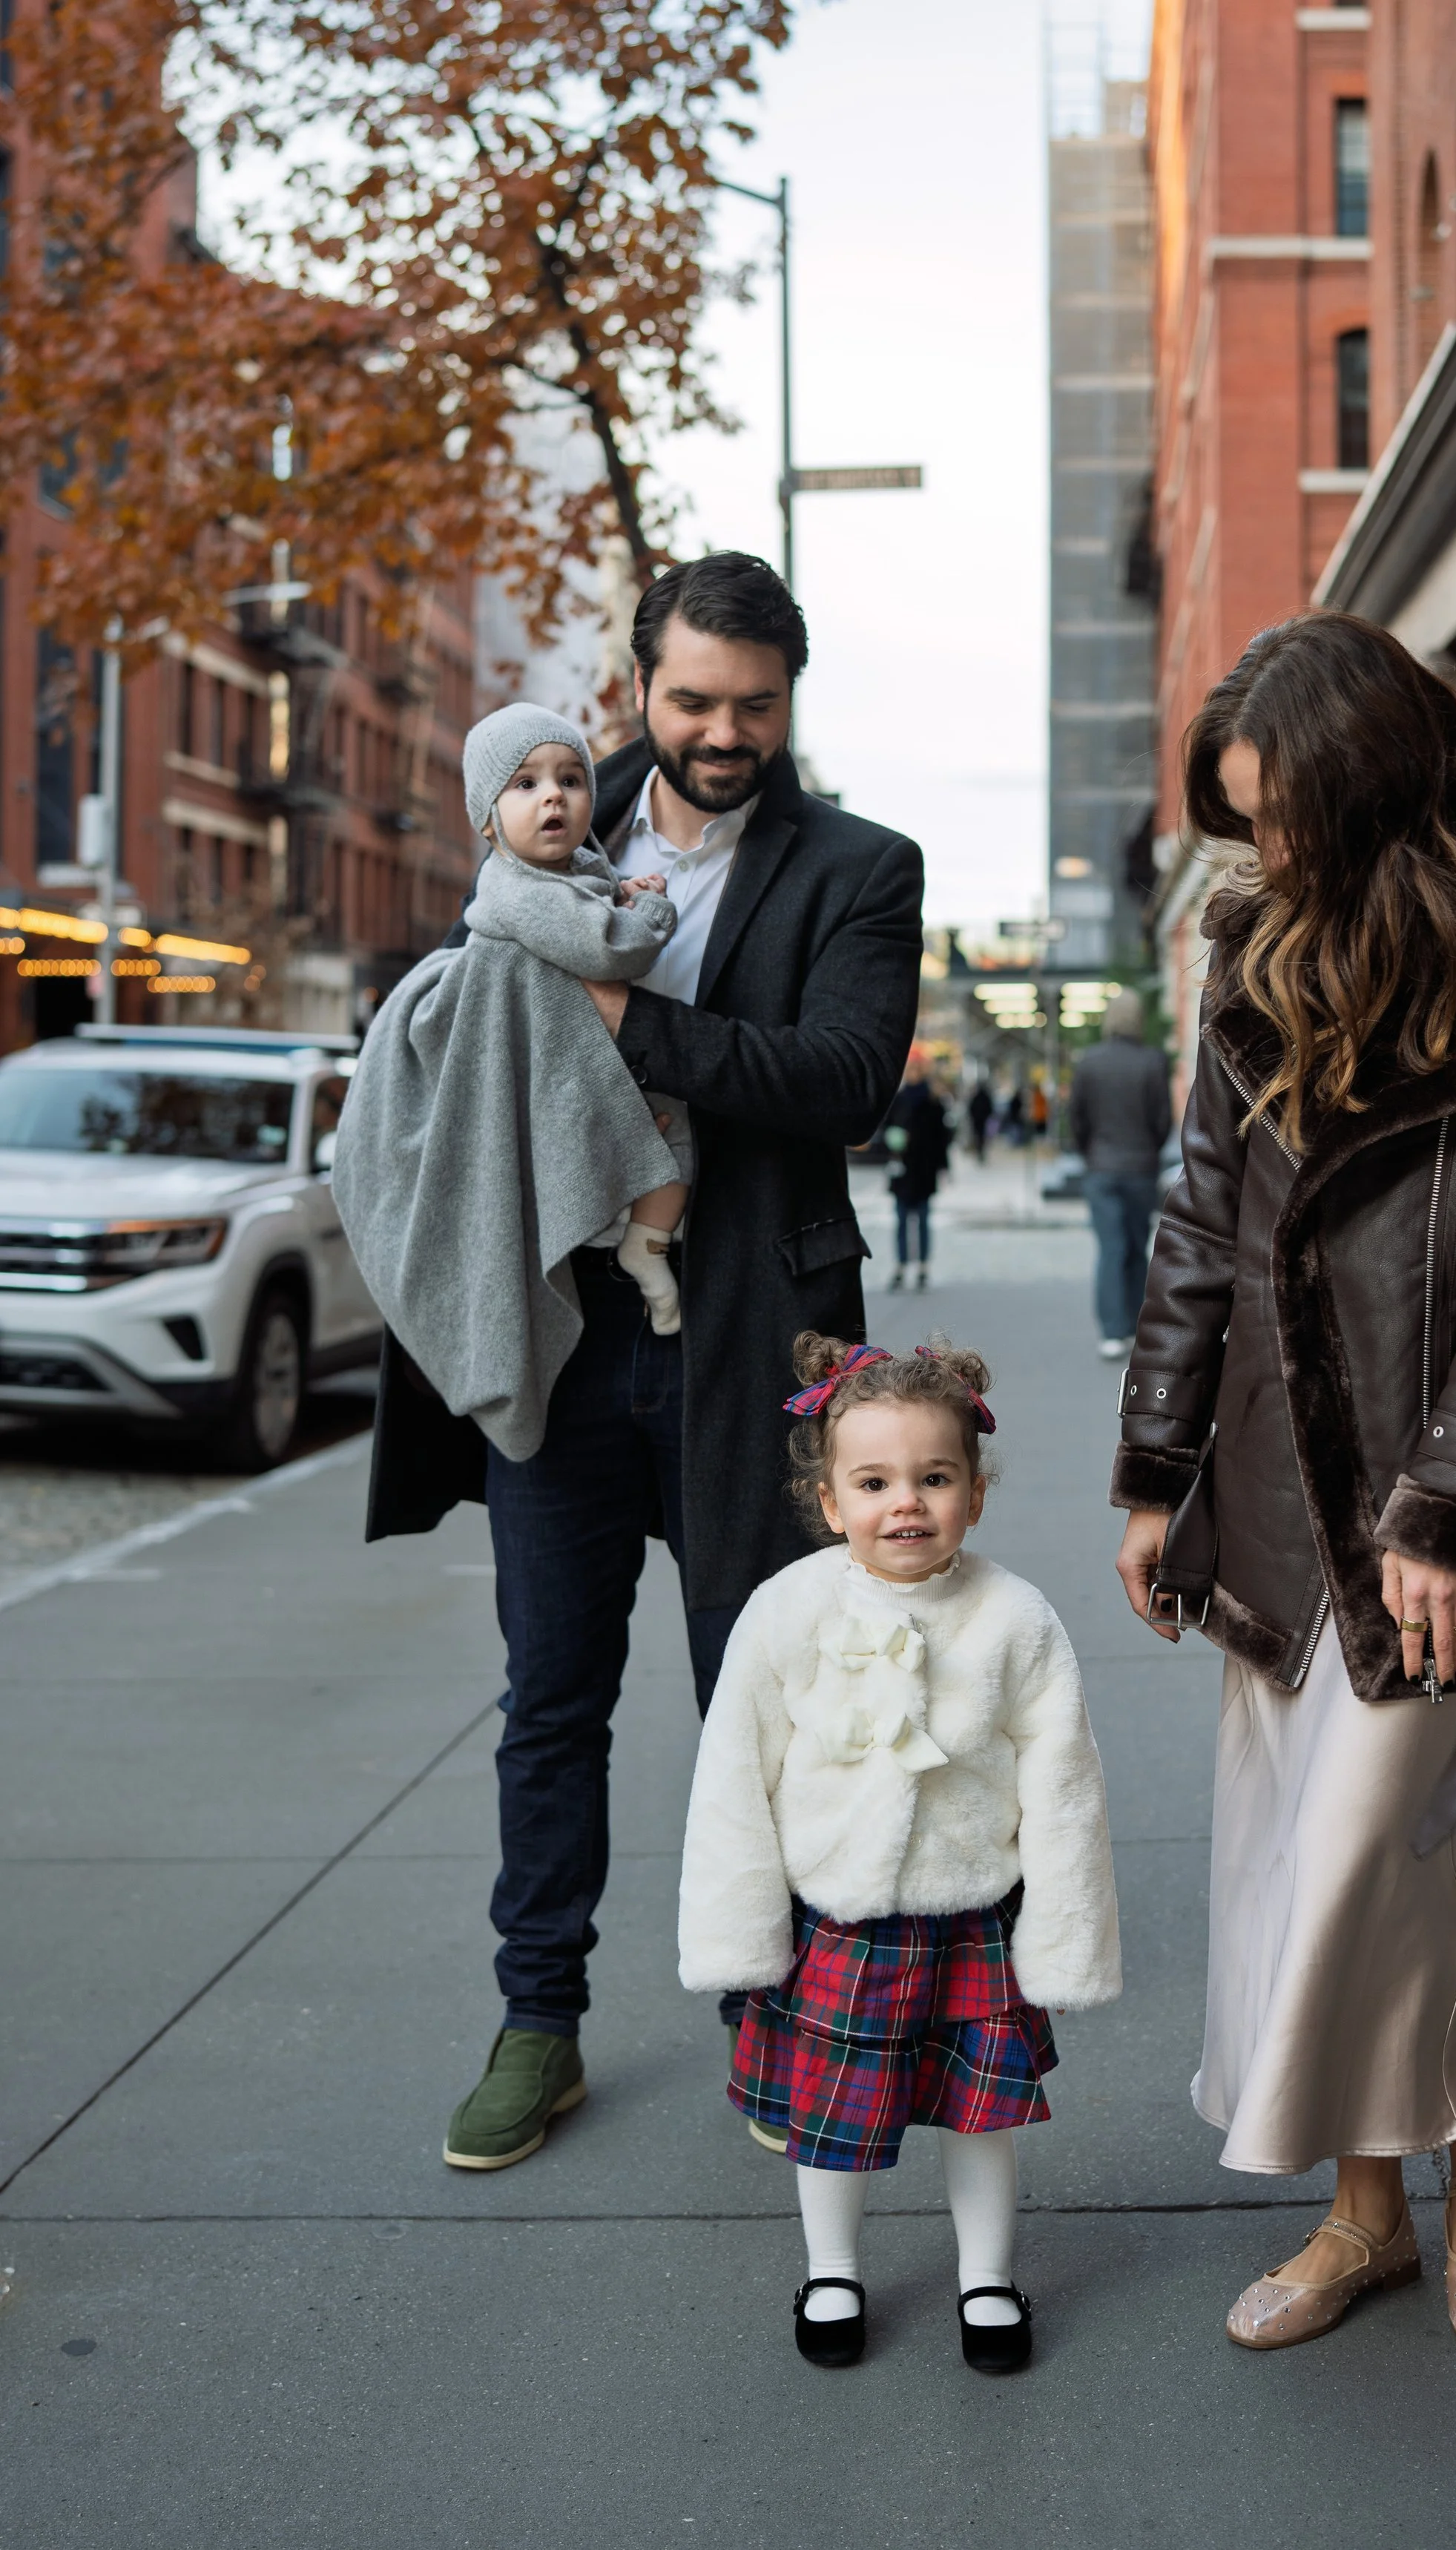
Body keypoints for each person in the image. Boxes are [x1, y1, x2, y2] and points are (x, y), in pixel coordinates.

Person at [360, 551, 926, 2171]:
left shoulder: (859, 866)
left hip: (756, 1333)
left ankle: (778, 2005)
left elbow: (838, 1077)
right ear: (639, 686)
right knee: (551, 1694)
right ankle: (537, 2018)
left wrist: (620, 1020)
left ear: (788, 697)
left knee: (764, 1695)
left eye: (754, 702)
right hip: (557, 1339)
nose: (722, 728)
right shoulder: (534, 806)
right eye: (691, 698)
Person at [1111, 611, 1456, 2351]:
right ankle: (1370, 2213)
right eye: (1242, 820)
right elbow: (1199, 1212)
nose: (1261, 853)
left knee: (1375, 1858)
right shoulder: (1253, 935)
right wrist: (1155, 1465)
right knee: (1305, 1855)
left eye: (1283, 816)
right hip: (1269, 1476)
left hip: (1437, 1491)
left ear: (1369, 789)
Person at [678, 1334, 1121, 2371]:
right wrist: (742, 1932)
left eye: (934, 1478)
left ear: (975, 1489)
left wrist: (1063, 1935)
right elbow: (734, 1776)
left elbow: (1064, 1786)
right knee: (827, 2119)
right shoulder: (786, 1611)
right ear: (830, 1500)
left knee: (980, 2117)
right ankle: (831, 2269)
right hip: (837, 1918)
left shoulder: (1016, 1618)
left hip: (972, 1916)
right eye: (873, 1482)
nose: (905, 1504)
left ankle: (987, 2278)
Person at [334, 709, 694, 1462]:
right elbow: (611, 950)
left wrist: (618, 891)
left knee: (677, 1133)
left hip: (603, 1092)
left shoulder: (582, 879)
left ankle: (645, 1242)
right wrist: (650, 909)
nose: (553, 797)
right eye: (525, 784)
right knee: (670, 1137)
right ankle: (642, 1243)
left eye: (570, 779)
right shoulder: (525, 897)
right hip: (573, 1110)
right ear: (488, 820)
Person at [1069, 989, 1172, 1361]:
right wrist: (1148, 1149)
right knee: (1136, 1248)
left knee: (1111, 1249)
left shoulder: (1089, 1062)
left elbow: (1077, 1118)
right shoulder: (1152, 1061)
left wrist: (1091, 1152)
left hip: (1102, 1167)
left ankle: (1112, 1331)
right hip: (1141, 1168)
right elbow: (1162, 1119)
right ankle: (1135, 1326)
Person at [883, 1050, 952, 1292]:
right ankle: (901, 1266)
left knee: (922, 1220)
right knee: (902, 1220)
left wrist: (944, 1167)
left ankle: (923, 1266)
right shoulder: (898, 1099)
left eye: (917, 1069)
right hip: (902, 1168)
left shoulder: (933, 1101)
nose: (913, 1073)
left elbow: (942, 1138)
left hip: (924, 1169)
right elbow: (886, 1129)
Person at [966, 1075, 995, 1163]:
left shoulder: (976, 1097)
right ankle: (981, 1152)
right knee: (981, 1137)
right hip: (982, 1121)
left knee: (979, 1137)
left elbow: (971, 1109)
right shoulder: (985, 1097)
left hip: (978, 1121)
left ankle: (980, 1152)